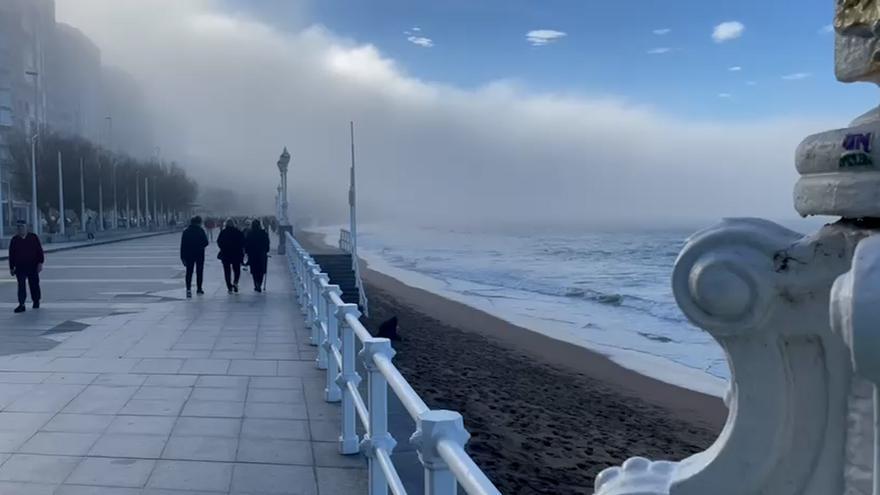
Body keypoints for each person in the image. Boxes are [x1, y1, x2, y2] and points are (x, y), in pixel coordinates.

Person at [8, 220, 43, 313]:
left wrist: (40, 263)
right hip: (20, 267)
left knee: (34, 284)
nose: (20, 229)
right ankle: (21, 304)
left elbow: (39, 251)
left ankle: (36, 301)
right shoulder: (14, 239)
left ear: (26, 227)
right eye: (18, 227)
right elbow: (11, 254)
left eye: (22, 226)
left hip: (33, 266)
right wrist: (11, 267)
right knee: (21, 286)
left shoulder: (33, 237)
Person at [180, 216, 209, 298]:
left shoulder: (186, 232)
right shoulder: (200, 231)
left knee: (189, 272)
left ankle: (188, 289)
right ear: (198, 222)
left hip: (188, 255)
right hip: (199, 254)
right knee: (199, 271)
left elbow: (183, 245)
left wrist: (182, 257)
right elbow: (206, 242)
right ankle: (199, 288)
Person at [217, 218, 245, 294]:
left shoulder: (223, 232)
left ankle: (229, 286)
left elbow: (219, 242)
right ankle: (235, 282)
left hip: (226, 254)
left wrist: (223, 248)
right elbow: (243, 242)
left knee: (227, 271)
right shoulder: (238, 232)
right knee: (237, 270)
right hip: (236, 254)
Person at [244, 218, 270, 292]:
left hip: (252, 254)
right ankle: (259, 283)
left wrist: (247, 251)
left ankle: (256, 283)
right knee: (261, 270)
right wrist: (266, 250)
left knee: (254, 270)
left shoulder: (250, 234)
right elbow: (267, 243)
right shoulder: (263, 233)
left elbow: (247, 243)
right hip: (261, 253)